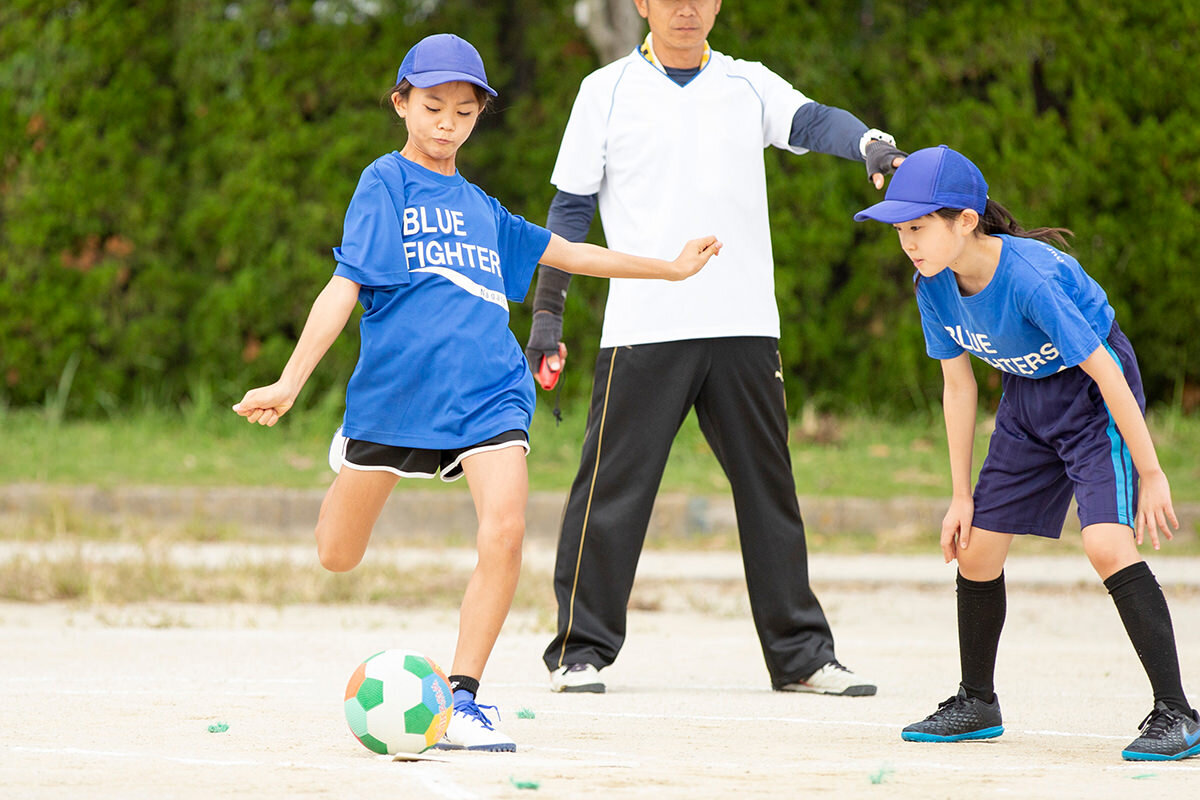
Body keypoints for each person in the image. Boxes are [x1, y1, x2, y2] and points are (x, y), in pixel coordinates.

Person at [233, 33, 721, 753]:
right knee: (337, 554)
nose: (446, 124)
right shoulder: (384, 185)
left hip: (491, 394)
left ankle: (462, 698)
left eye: (463, 111)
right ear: (401, 103)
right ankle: (351, 460)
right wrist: (290, 381)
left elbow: (573, 253)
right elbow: (344, 287)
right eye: (432, 107)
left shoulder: (484, 210)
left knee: (507, 529)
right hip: (397, 397)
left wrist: (670, 270)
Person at [526, 0, 905, 695]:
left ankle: (801, 656)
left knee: (770, 492)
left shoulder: (747, 83)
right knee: (610, 493)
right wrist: (548, 315)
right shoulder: (603, 91)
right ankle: (579, 650)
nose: (687, 8)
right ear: (641, 4)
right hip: (643, 326)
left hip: (744, 326)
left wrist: (871, 144)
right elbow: (570, 210)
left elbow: (815, 121)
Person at [854, 144, 1198, 761]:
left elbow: (1107, 372)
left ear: (966, 220)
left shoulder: (1031, 277)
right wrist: (960, 495)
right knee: (975, 550)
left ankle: (1178, 712)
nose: (908, 243)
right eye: (901, 230)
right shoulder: (932, 284)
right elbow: (958, 386)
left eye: (919, 227)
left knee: (1106, 544)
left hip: (1092, 395)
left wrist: (1151, 472)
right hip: (1027, 397)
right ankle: (976, 701)